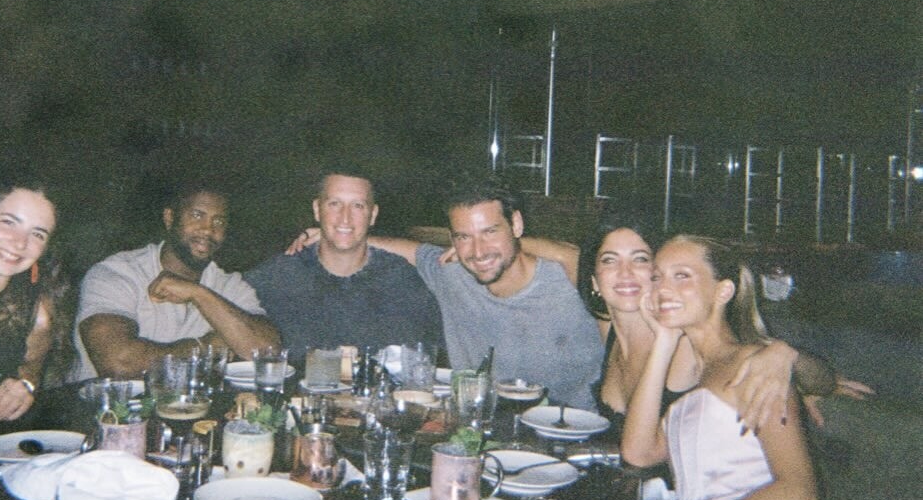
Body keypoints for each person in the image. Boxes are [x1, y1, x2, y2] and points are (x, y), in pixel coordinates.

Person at [587, 218, 871, 447]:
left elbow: (748, 356)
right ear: (595, 281)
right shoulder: (610, 329)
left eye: (640, 259)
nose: (625, 273)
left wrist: (786, 357)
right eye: (609, 260)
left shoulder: (681, 333)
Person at [347, 181, 603, 403]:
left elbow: (583, 258)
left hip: (576, 433)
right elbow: (408, 250)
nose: (478, 252)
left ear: (516, 224)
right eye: (464, 237)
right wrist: (339, 238)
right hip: (479, 431)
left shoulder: (570, 278)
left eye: (490, 232)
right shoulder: (453, 273)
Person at [619, 236, 819, 500]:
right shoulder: (695, 375)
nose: (662, 288)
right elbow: (638, 453)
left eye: (681, 275)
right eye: (656, 277)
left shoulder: (757, 367)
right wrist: (664, 342)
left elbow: (800, 494)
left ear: (722, 291)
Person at [70, 179, 279, 380]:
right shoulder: (116, 273)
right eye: (197, 215)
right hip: (106, 405)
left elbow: (267, 352)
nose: (208, 229)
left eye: (219, 221)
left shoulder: (229, 285)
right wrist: (207, 348)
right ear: (170, 219)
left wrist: (199, 294)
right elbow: (120, 364)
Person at [248, 170, 443, 366]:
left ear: (373, 214)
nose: (345, 218)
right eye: (334, 204)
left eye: (358, 206)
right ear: (317, 209)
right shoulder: (275, 278)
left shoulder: (408, 283)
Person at [0, 180, 72, 422]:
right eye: (9, 222)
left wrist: (24, 388)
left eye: (38, 234)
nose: (20, 243)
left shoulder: (38, 313)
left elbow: (31, 373)